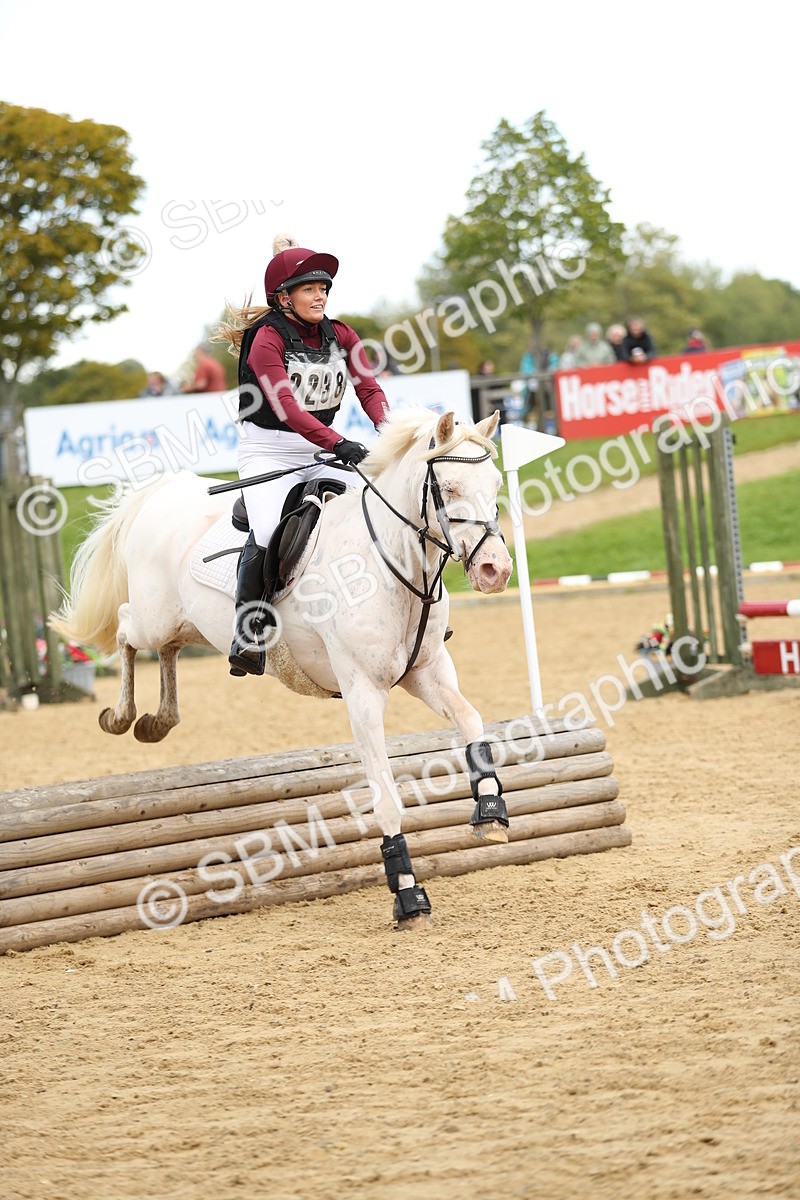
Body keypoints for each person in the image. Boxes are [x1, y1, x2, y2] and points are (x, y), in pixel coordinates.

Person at [214, 235, 390, 678]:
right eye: (310, 289)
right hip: (268, 451)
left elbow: (368, 388)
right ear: (283, 297)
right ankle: (249, 630)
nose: (321, 296)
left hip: (322, 444)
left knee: (380, 508)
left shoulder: (342, 333)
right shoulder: (265, 339)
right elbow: (287, 407)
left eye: (324, 288)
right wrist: (337, 443)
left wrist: (389, 432)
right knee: (270, 530)